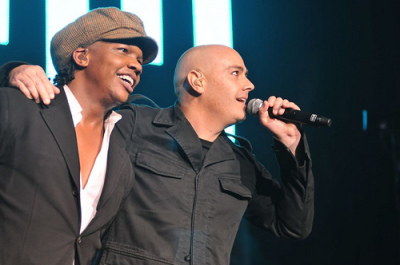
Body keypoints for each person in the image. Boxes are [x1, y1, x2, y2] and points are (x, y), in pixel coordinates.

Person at [2, 45, 314, 265]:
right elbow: (64, 121)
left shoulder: (239, 161)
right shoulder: (133, 124)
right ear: (197, 80)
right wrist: (13, 71)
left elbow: (292, 226)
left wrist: (290, 147)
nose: (250, 85)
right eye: (236, 73)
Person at [0, 7, 158, 265]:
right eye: (123, 50)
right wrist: (11, 70)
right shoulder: (17, 108)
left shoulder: (121, 154)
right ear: (82, 56)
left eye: (140, 60)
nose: (136, 65)